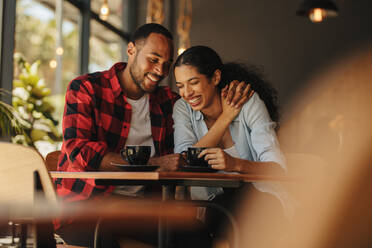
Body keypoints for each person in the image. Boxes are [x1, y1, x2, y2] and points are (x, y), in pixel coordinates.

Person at [54, 24, 211, 248]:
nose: (160, 71)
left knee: (197, 235)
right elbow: (80, 152)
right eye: (153, 59)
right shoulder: (86, 88)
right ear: (131, 50)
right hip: (85, 207)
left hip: (139, 210)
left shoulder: (168, 102)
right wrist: (152, 164)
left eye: (166, 65)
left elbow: (202, 123)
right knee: (103, 241)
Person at [173, 45, 291, 243]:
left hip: (260, 201)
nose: (186, 93)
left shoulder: (248, 103)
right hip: (210, 207)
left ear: (216, 78)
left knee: (236, 207)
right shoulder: (183, 108)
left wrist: (235, 165)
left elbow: (277, 169)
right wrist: (226, 118)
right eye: (180, 85)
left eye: (193, 82)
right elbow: (184, 161)